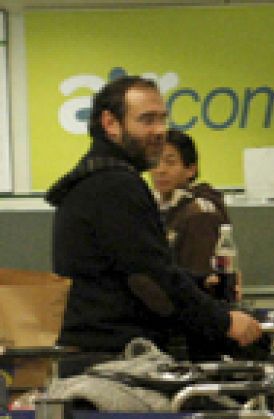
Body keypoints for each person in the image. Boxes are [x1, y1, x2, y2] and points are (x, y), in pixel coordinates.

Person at [47, 76, 259, 362]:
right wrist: (225, 321)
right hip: (116, 359)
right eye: (147, 120)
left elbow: (131, 269)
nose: (160, 130)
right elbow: (150, 278)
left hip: (100, 351)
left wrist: (199, 283)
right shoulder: (115, 185)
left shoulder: (94, 179)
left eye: (163, 119)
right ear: (110, 123)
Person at [150, 128, 230, 279]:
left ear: (191, 170)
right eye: (155, 162)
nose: (160, 170)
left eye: (170, 162)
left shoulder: (199, 215)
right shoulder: (157, 208)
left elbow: (201, 279)